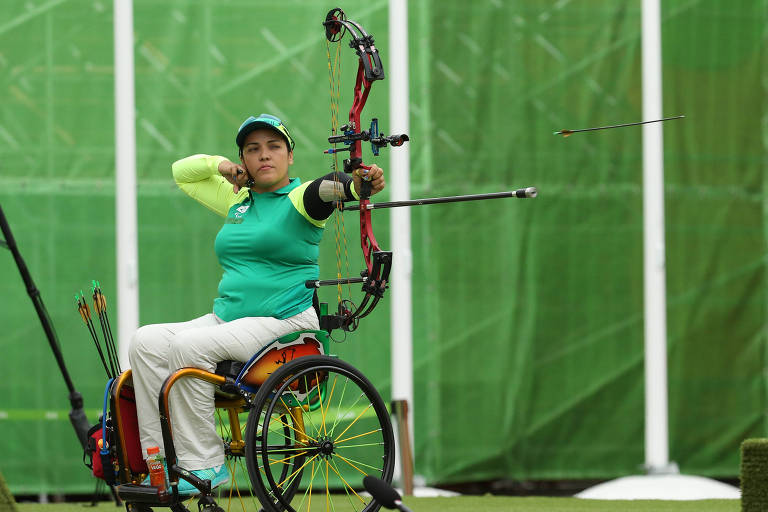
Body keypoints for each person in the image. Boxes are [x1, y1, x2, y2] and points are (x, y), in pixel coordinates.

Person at [128, 113, 385, 494]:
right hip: (229, 322)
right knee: (144, 341)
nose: (264, 156)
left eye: (274, 147)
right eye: (253, 149)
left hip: (284, 324)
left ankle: (205, 467)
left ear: (290, 156)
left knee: (187, 346)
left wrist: (360, 183)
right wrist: (221, 166)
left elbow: (331, 188)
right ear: (244, 161)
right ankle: (159, 463)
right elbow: (183, 172)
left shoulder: (299, 199)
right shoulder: (238, 201)